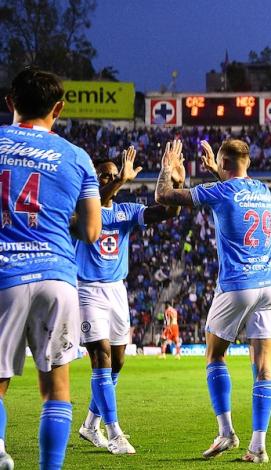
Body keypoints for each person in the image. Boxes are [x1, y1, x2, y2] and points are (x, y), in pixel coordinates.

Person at [0, 68, 102, 470]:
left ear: (10, 103)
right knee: (56, 388)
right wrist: (58, 221)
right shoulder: (77, 157)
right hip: (57, 276)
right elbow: (92, 230)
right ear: (58, 108)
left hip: (4, 274)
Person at [154, 138, 271, 463]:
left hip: (237, 284)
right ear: (247, 162)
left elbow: (164, 197)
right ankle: (258, 446)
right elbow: (235, 184)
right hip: (270, 285)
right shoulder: (264, 191)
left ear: (222, 164)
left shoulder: (221, 191)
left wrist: (168, 169)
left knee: (214, 356)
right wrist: (217, 169)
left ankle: (226, 432)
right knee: (263, 367)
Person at [74, 147, 181, 455]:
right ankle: (114, 432)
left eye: (111, 174)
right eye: (102, 175)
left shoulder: (127, 212)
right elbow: (92, 207)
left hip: (117, 291)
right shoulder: (79, 208)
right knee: (101, 358)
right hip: (87, 289)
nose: (108, 178)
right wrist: (120, 179)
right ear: (91, 179)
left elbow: (166, 213)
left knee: (118, 362)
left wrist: (171, 181)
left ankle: (90, 424)